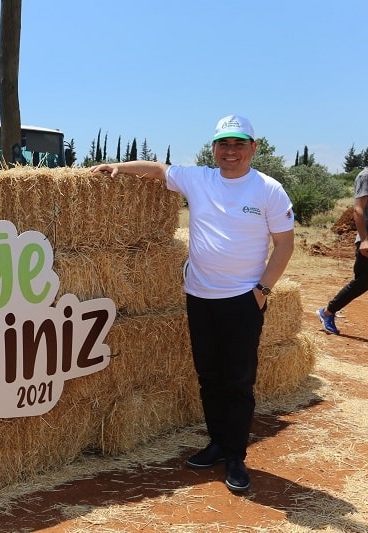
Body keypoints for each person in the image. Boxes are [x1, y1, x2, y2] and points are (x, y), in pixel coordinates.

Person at [90, 114, 295, 493]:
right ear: (214, 148)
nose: (230, 152)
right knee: (209, 376)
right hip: (200, 296)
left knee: (238, 380)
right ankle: (216, 443)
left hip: (242, 299)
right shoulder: (199, 179)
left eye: (238, 144)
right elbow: (156, 169)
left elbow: (285, 244)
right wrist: (118, 166)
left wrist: (262, 291)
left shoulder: (268, 190)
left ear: (253, 147)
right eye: (223, 144)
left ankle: (235, 455)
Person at [317, 136, 368, 338]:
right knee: (363, 282)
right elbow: (358, 209)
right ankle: (327, 312)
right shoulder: (366, 177)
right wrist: (364, 239)